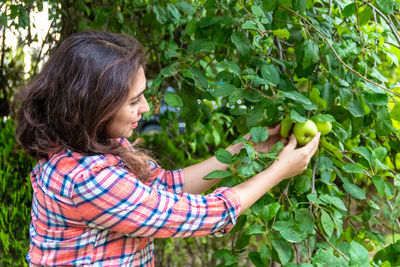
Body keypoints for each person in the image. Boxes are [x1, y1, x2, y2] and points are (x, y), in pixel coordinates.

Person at [11, 30, 320, 267]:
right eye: (134, 101)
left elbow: (166, 186)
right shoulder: (86, 178)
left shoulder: (93, 147)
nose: (145, 107)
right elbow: (198, 215)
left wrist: (248, 147)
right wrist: (279, 171)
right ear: (94, 105)